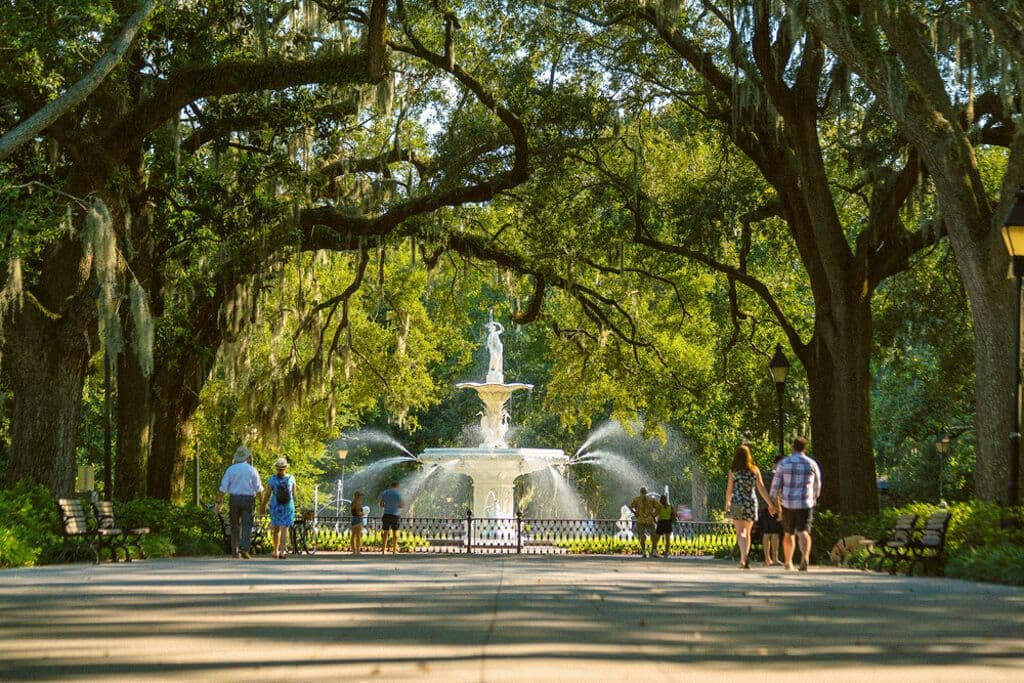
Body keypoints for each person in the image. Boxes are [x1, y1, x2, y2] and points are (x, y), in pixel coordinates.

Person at [769, 436, 822, 571]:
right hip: (805, 502)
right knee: (803, 531)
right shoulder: (811, 464)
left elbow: (775, 485)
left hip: (788, 503)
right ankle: (805, 557)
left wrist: (772, 502)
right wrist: (814, 498)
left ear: (793, 447)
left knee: (788, 533)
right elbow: (817, 484)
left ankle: (788, 561)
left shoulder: (784, 463)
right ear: (805, 448)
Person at [725, 443, 775, 569]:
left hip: (737, 501)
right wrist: (770, 504)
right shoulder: (755, 470)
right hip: (751, 502)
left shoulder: (733, 471)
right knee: (747, 532)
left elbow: (729, 489)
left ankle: (744, 557)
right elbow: (761, 488)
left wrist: (727, 503)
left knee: (740, 532)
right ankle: (744, 559)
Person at [213, 445, 263, 559]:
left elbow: (222, 488)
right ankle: (244, 549)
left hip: (234, 499)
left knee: (234, 525)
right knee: (247, 525)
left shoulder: (231, 469)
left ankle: (235, 551)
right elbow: (259, 489)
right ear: (247, 457)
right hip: (248, 499)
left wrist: (218, 503)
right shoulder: (252, 470)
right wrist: (262, 505)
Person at [261, 457, 296, 559]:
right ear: (285, 468)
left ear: (276, 468)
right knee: (285, 529)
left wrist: (263, 505)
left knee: (276, 529)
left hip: (275, 505)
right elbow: (293, 494)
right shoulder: (291, 478)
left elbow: (267, 494)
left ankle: (275, 551)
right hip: (288, 506)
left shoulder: (272, 479)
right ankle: (282, 552)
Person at [760, 455, 785, 566]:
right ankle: (775, 558)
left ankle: (767, 559)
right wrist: (779, 509)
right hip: (774, 506)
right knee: (775, 532)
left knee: (766, 532)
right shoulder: (777, 475)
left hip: (763, 506)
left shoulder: (764, 474)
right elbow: (778, 493)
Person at [629, 487, 660, 558]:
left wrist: (635, 513)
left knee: (643, 536)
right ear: (646, 492)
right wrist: (654, 515)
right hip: (647, 520)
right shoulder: (650, 499)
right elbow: (659, 508)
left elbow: (630, 507)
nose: (643, 494)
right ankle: (653, 552)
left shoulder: (637, 499)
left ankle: (644, 552)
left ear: (640, 492)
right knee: (652, 536)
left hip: (642, 520)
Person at [379, 481, 403, 554]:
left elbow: (381, 504)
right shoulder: (398, 494)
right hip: (395, 515)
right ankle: (394, 550)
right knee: (395, 532)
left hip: (386, 514)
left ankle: (383, 550)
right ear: (397, 486)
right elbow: (402, 505)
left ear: (391, 486)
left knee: (385, 532)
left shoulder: (385, 492)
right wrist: (395, 506)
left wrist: (387, 506)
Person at [350, 490, 366, 555]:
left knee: (353, 536)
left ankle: (353, 551)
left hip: (354, 519)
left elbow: (353, 512)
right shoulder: (358, 503)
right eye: (361, 496)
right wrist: (363, 513)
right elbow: (358, 512)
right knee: (358, 536)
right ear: (358, 496)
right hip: (359, 520)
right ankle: (358, 551)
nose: (361, 497)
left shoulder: (353, 502)